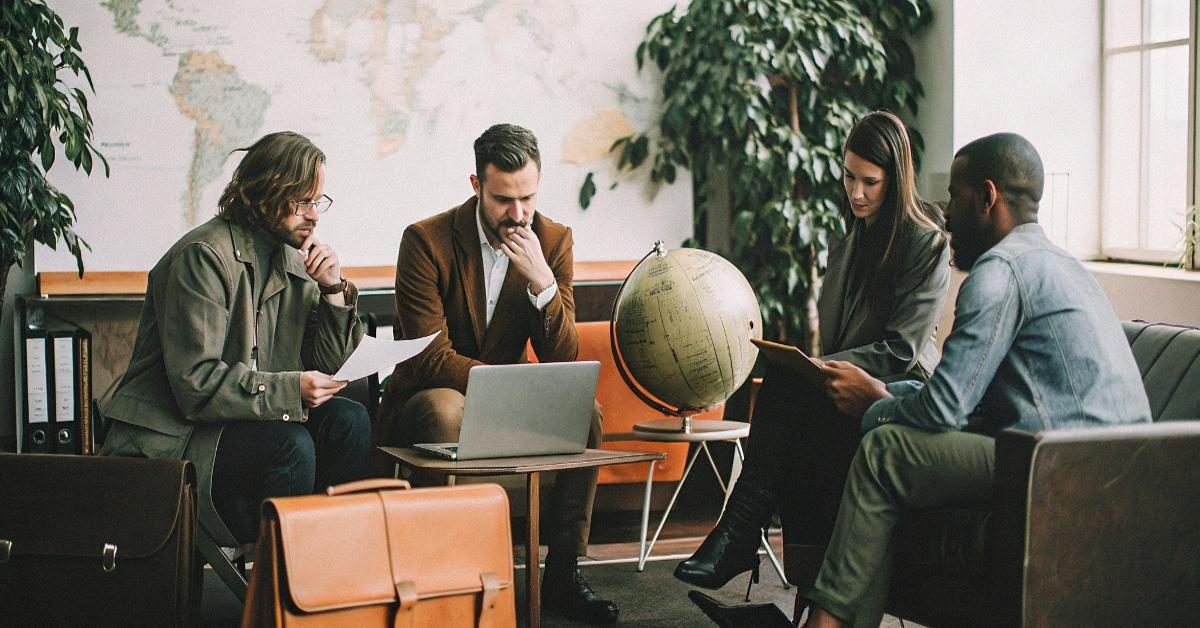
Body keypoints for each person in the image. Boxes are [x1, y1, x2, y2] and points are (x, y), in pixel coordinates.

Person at [801, 133, 1152, 628]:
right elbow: (963, 395)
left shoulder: (998, 272)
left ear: (987, 198)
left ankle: (825, 623)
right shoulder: (1062, 264)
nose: (944, 212)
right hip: (1117, 464)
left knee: (885, 452)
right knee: (891, 440)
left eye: (954, 196)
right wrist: (890, 396)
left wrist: (876, 404)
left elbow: (945, 411)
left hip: (1057, 466)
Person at [675, 111, 951, 592]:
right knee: (786, 383)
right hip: (844, 373)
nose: (856, 192)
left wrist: (821, 368)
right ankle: (745, 535)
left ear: (896, 178)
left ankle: (739, 531)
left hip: (900, 382)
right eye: (849, 176)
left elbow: (902, 350)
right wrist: (817, 367)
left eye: (871, 181)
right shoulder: (847, 243)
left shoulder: (924, 242)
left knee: (791, 390)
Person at [375, 123, 618, 624]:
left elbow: (563, 357)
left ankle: (563, 573)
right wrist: (505, 387)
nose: (519, 214)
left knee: (586, 413)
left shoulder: (552, 240)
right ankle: (449, 575)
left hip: (506, 397)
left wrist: (544, 286)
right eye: (504, 199)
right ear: (476, 185)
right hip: (431, 394)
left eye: (528, 197)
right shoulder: (425, 241)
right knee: (447, 409)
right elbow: (428, 356)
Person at [101, 131, 371, 545]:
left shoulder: (296, 261)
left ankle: (327, 569)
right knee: (290, 444)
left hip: (246, 423)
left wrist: (334, 289)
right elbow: (196, 384)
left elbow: (332, 364)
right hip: (177, 436)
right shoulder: (203, 256)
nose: (314, 215)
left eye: (318, 202)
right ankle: (280, 591)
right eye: (302, 201)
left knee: (349, 421)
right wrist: (292, 388)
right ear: (263, 194)